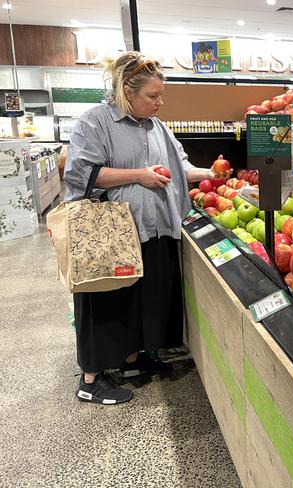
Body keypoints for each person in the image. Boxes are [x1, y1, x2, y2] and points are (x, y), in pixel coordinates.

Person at [64, 51, 216, 405]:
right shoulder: (96, 122)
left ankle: (132, 360)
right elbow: (83, 173)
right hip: (113, 235)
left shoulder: (158, 127)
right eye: (153, 96)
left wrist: (211, 173)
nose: (160, 102)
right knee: (104, 299)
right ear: (127, 92)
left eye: (161, 95)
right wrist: (139, 176)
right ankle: (91, 378)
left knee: (139, 299)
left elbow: (180, 166)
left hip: (155, 227)